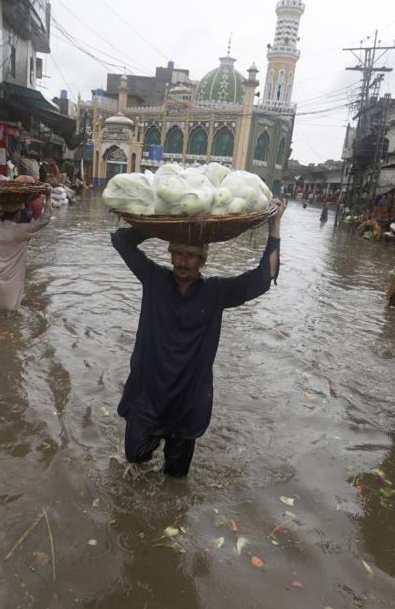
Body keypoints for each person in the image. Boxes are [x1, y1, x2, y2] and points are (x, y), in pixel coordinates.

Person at [111, 199, 286, 477]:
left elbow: (266, 276)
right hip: (148, 393)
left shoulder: (217, 291)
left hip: (189, 399)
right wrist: (166, 225)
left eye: (192, 255)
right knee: (135, 457)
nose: (184, 261)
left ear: (203, 260)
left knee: (175, 479)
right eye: (178, 253)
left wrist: (274, 225)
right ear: (170, 256)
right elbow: (121, 240)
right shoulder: (153, 278)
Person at [0, 200, 51, 313]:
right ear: (18, 215)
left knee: (2, 301)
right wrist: (48, 197)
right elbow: (44, 220)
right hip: (13, 274)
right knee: (12, 307)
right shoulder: (22, 230)